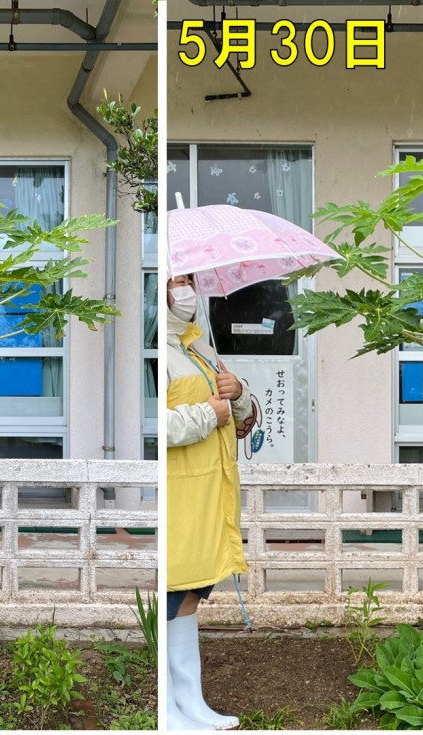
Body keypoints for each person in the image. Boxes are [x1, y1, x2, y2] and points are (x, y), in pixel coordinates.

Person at [166, 274, 252, 731]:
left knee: (191, 594)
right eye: (175, 280)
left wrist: (238, 394)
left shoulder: (197, 347)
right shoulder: (161, 352)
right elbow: (156, 425)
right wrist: (207, 413)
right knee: (172, 591)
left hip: (209, 492)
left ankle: (190, 702)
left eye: (189, 280)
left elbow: (237, 416)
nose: (185, 290)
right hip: (178, 494)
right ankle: (166, 707)